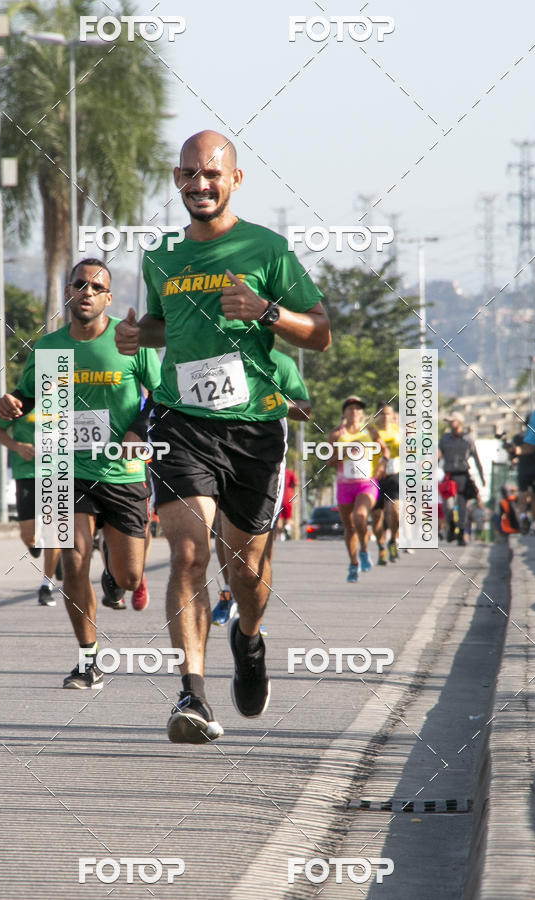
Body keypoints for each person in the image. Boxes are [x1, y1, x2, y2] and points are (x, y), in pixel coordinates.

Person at [115, 130, 331, 743]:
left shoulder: (268, 249)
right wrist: (139, 337)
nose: (200, 185)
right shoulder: (161, 257)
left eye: (212, 175)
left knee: (247, 572)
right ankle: (192, 695)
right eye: (189, 174)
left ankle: (249, 639)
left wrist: (267, 312)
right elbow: (165, 327)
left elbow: (319, 333)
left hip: (256, 428)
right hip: (182, 422)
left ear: (235, 180)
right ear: (176, 179)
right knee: (187, 553)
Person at [0, 259, 161, 689]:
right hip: (65, 468)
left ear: (108, 297)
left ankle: (114, 576)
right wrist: (14, 402)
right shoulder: (49, 349)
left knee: (129, 576)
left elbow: (162, 397)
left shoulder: (131, 344)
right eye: (79, 284)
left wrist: (136, 429)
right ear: (68, 292)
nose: (86, 291)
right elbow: (30, 396)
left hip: (123, 472)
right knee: (71, 560)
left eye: (96, 286)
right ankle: (88, 661)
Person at [212, 348, 312, 625]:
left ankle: (254, 610)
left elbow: (305, 410)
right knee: (222, 526)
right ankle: (227, 594)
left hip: (264, 460)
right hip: (219, 453)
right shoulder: (214, 357)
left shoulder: (281, 361)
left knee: (261, 539)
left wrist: (273, 402)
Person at [0, 410, 62, 606]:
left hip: (57, 471)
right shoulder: (20, 400)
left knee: (53, 529)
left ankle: (46, 585)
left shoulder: (69, 397)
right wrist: (17, 446)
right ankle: (37, 544)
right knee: (28, 537)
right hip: (27, 472)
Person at [328, 396, 386, 583]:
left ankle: (364, 549)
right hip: (345, 486)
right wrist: (344, 453)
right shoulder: (337, 434)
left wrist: (382, 465)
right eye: (351, 409)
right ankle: (354, 564)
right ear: (344, 412)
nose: (354, 412)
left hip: (366, 483)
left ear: (362, 413)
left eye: (358, 409)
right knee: (350, 526)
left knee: (360, 517)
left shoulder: (370, 430)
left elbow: (384, 451)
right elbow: (328, 462)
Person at [438, 412, 485, 546]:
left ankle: (462, 533)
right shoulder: (445, 439)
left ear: (459, 422)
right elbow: (438, 455)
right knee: (448, 506)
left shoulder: (468, 439)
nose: (451, 423)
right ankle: (451, 527)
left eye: (453, 421)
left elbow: (476, 458)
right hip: (449, 475)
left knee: (463, 506)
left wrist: (482, 477)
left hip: (463, 475)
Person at [371, 401, 400, 565]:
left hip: (394, 475)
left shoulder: (398, 431)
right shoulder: (372, 431)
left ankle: (393, 541)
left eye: (389, 413)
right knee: (377, 516)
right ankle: (381, 545)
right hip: (375, 476)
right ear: (378, 415)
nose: (386, 417)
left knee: (394, 511)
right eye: (383, 413)